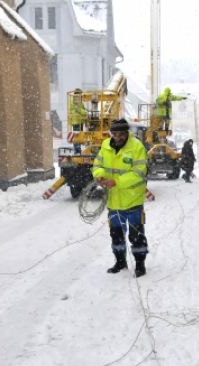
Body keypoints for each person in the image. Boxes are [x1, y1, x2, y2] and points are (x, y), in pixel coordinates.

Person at [92, 118, 149, 277]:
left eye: (121, 134)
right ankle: (120, 262)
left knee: (136, 236)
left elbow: (139, 173)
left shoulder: (137, 147)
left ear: (127, 133)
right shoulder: (105, 146)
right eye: (115, 134)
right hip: (114, 201)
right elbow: (97, 165)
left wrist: (116, 181)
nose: (118, 137)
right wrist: (100, 176)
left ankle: (140, 265)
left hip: (133, 201)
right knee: (116, 235)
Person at [69, 89, 87, 153]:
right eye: (81, 94)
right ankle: (77, 150)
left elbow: (82, 109)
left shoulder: (78, 101)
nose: (82, 96)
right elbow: (80, 110)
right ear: (78, 94)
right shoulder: (76, 100)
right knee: (77, 136)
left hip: (79, 121)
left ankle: (77, 149)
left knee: (79, 136)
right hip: (77, 122)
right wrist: (86, 113)